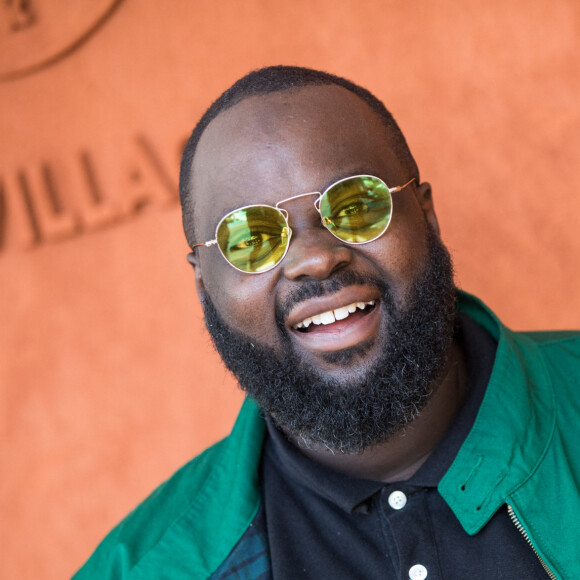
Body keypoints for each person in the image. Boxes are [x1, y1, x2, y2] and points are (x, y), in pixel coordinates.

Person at [74, 66, 580, 579]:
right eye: (251, 240)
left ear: (426, 217)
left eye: (357, 205)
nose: (315, 259)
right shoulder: (143, 568)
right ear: (204, 285)